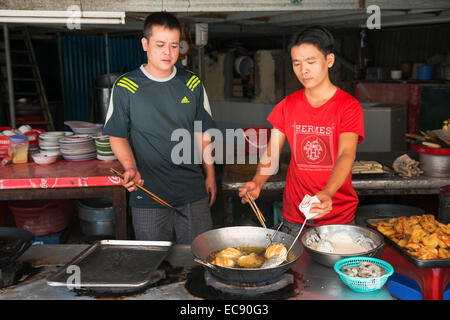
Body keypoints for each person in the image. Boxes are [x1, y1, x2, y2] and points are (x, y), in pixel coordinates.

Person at [103, 12, 216, 244]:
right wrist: (130, 167)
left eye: (174, 45)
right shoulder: (125, 86)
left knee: (200, 256)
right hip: (148, 193)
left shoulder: (192, 84)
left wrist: (211, 175)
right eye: (160, 44)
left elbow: (202, 133)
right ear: (145, 44)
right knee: (153, 261)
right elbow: (117, 135)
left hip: (191, 191)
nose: (168, 52)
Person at [238, 26, 364, 236]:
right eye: (297, 63)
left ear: (329, 60)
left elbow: (346, 154)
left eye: (311, 62)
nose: (303, 70)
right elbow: (272, 153)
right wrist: (258, 181)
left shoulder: (348, 106)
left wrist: (328, 192)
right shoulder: (288, 105)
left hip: (337, 214)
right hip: (295, 216)